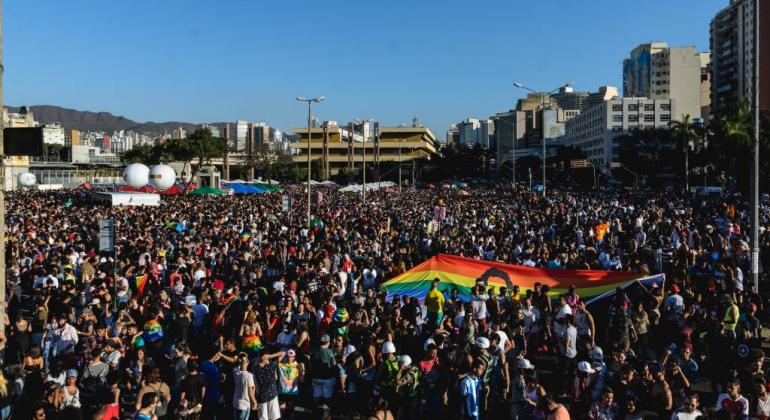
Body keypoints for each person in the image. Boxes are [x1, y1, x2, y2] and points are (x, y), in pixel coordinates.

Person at [252, 349, 285, 420]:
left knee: (263, 418)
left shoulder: (254, 368)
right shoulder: (271, 366)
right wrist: (270, 356)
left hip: (261, 397)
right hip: (272, 394)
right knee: (273, 417)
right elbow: (283, 353)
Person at [232, 352, 257, 420]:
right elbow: (250, 392)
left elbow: (237, 366)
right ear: (247, 363)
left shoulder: (235, 372)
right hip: (244, 405)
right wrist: (254, 402)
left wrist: (240, 358)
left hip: (236, 403)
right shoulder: (249, 376)